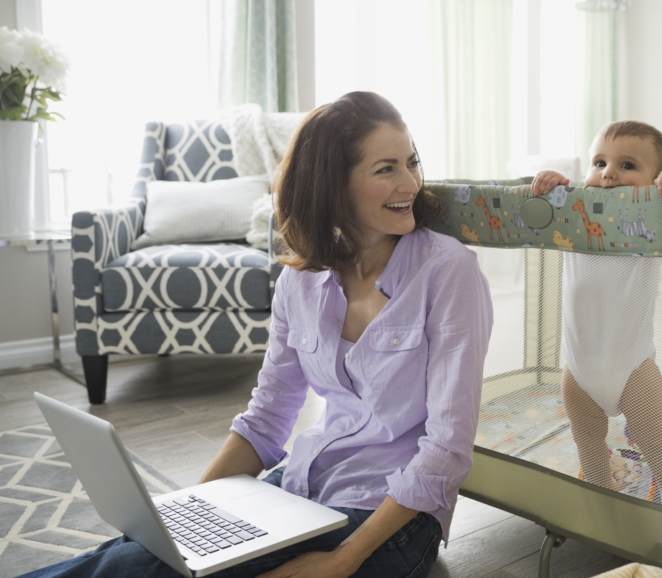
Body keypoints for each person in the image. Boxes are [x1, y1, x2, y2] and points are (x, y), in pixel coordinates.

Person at [21, 92, 494, 578]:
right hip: (301, 489)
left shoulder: (448, 272)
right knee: (135, 558)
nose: (411, 183)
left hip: (391, 521)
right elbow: (267, 419)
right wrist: (185, 517)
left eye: (412, 162)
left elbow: (447, 448)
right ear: (333, 186)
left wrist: (339, 562)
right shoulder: (301, 282)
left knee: (130, 570)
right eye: (386, 168)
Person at [530, 120, 662, 508]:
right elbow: (543, 208)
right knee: (586, 436)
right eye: (599, 162)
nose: (608, 174)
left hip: (632, 366)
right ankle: (603, 498)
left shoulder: (654, 221)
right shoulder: (574, 216)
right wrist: (554, 184)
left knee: (653, 436)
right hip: (578, 368)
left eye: (627, 166)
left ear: (654, 183)